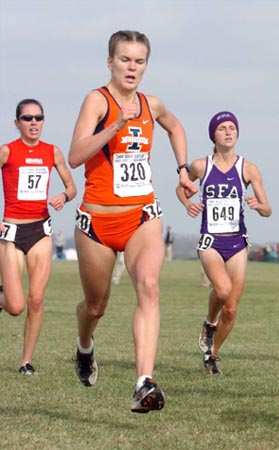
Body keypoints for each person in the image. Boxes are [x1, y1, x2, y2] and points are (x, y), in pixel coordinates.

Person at [67, 30, 196, 413]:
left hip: (141, 216)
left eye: (139, 61)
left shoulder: (151, 104)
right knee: (95, 306)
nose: (132, 67)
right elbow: (75, 155)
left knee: (150, 285)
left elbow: (176, 127)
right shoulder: (97, 100)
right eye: (125, 59)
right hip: (97, 222)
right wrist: (114, 128)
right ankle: (84, 346)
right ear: (110, 62)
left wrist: (183, 171)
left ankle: (144, 382)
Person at [178, 111, 272, 376]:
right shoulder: (201, 166)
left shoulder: (248, 168)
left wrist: (258, 205)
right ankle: (209, 323)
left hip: (237, 242)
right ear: (213, 135)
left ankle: (211, 355)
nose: (229, 132)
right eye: (222, 128)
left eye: (233, 128)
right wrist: (188, 203)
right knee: (221, 290)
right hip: (210, 241)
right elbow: (180, 187)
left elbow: (268, 209)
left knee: (230, 310)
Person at [0, 98, 77, 375]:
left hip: (40, 232)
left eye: (38, 118)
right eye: (28, 118)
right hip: (11, 233)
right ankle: (3, 297)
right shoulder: (7, 151)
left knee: (36, 299)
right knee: (17, 306)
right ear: (17, 123)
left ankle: (26, 361)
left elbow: (72, 187)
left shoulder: (52, 152)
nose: (34, 123)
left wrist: (63, 196)